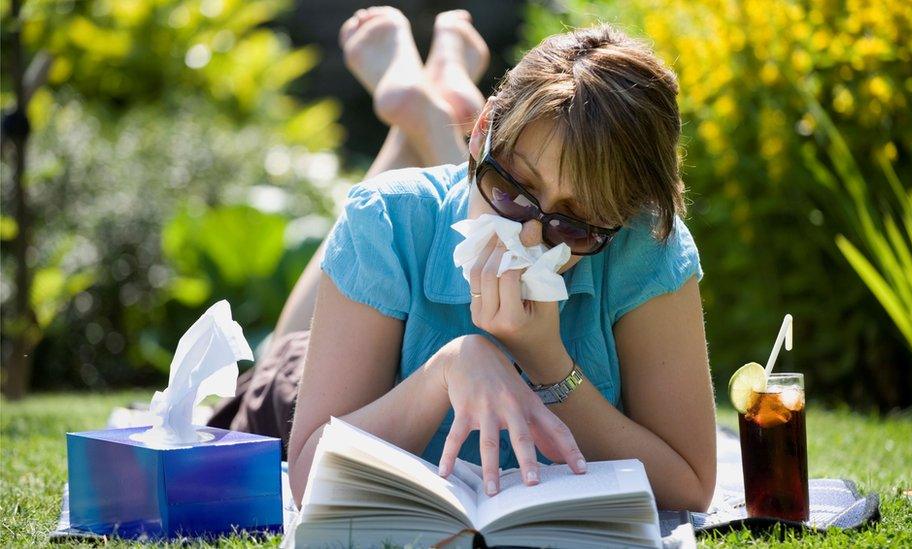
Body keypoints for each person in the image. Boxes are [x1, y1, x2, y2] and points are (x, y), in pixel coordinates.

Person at [207, 6, 717, 512]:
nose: (530, 237)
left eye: (573, 223)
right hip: (307, 384)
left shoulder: (642, 245)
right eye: (512, 190)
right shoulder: (385, 219)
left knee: (440, 208)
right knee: (288, 345)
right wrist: (445, 370)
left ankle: (428, 119)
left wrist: (547, 362)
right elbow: (308, 476)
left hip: (456, 199)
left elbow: (691, 486)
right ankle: (425, 121)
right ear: (482, 132)